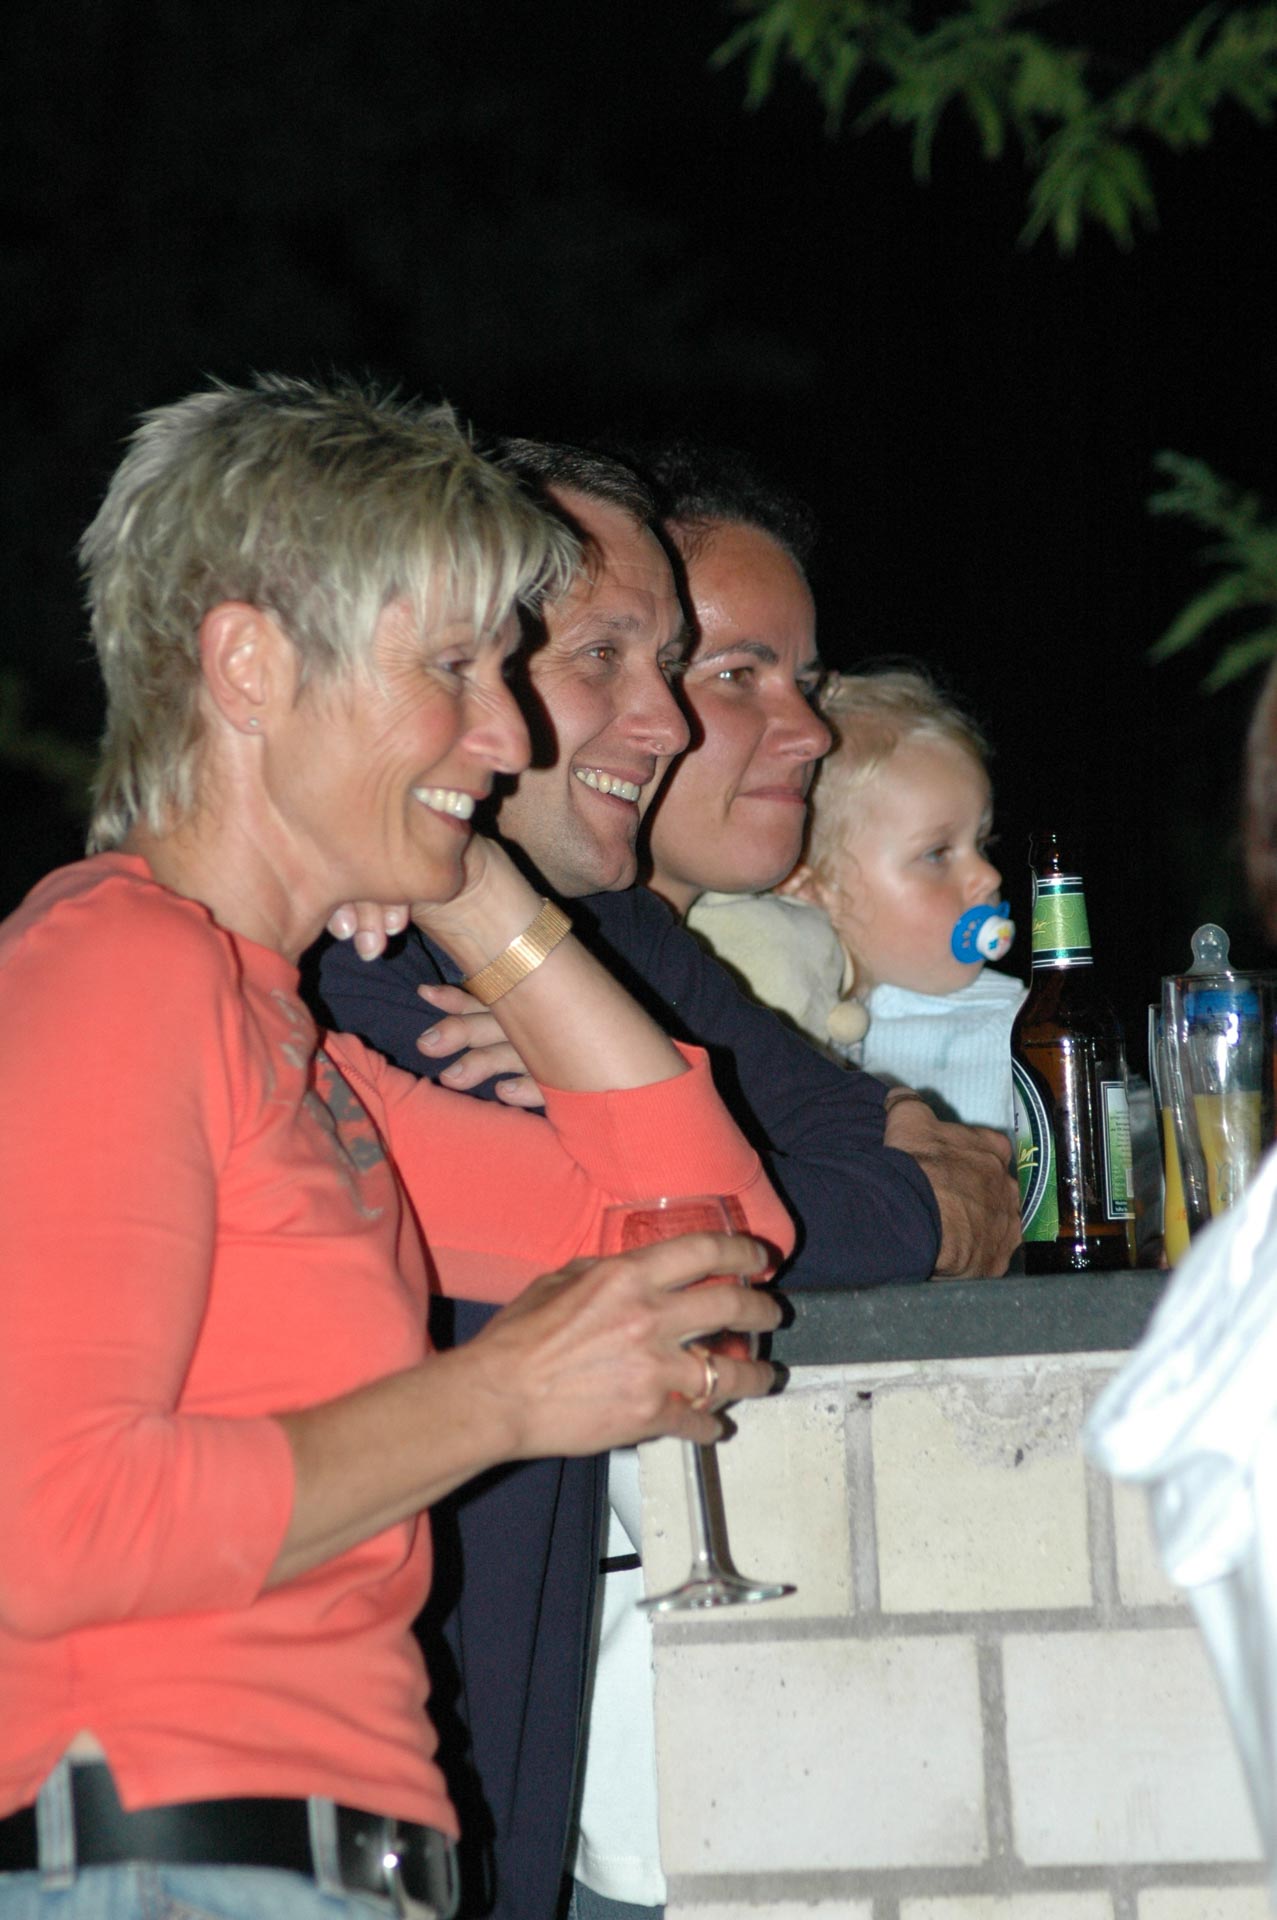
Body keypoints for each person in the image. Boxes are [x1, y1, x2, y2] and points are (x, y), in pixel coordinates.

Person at [0, 379, 791, 1920]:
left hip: (328, 1865)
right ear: (248, 665)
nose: (508, 732)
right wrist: (500, 1397)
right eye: (450, 669)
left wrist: (474, 890)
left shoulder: (286, 1044)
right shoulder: (111, 972)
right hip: (162, 1858)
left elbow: (708, 1228)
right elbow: (47, 1525)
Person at [311, 441, 1021, 1920]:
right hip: (294, 1804)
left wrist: (623, 1098)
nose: (669, 715)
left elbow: (942, 1185)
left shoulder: (616, 935)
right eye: (611, 658)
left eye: (679, 662)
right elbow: (707, 1227)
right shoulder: (343, 952)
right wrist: (684, 1156)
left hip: (493, 1790)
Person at [683, 667, 1027, 1135]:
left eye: (982, 843)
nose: (988, 876)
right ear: (812, 889)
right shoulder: (772, 1018)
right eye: (937, 854)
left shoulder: (1019, 1033)